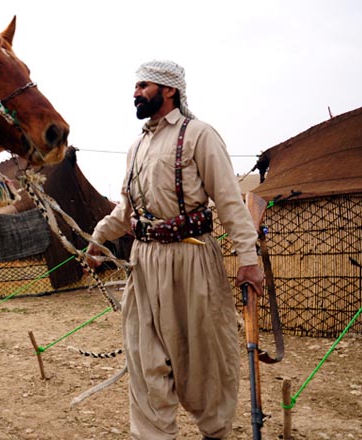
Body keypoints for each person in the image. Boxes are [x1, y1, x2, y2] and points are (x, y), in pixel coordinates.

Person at [86, 60, 264, 439]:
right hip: (144, 264)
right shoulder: (136, 147)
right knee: (144, 358)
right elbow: (126, 210)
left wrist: (249, 260)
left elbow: (230, 202)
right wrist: (97, 239)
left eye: (143, 85)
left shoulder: (199, 135)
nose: (135, 93)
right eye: (135, 86)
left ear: (169, 90)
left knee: (203, 360)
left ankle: (214, 432)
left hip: (192, 258)